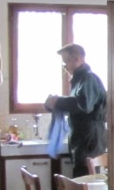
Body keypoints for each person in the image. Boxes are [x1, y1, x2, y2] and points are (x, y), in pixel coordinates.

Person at [45, 44, 107, 177]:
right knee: (81, 179)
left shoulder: (88, 79)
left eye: (66, 62)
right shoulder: (80, 80)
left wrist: (58, 101)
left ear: (77, 59)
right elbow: (76, 107)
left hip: (89, 142)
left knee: (86, 181)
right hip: (83, 141)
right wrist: (55, 104)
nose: (65, 67)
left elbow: (83, 105)